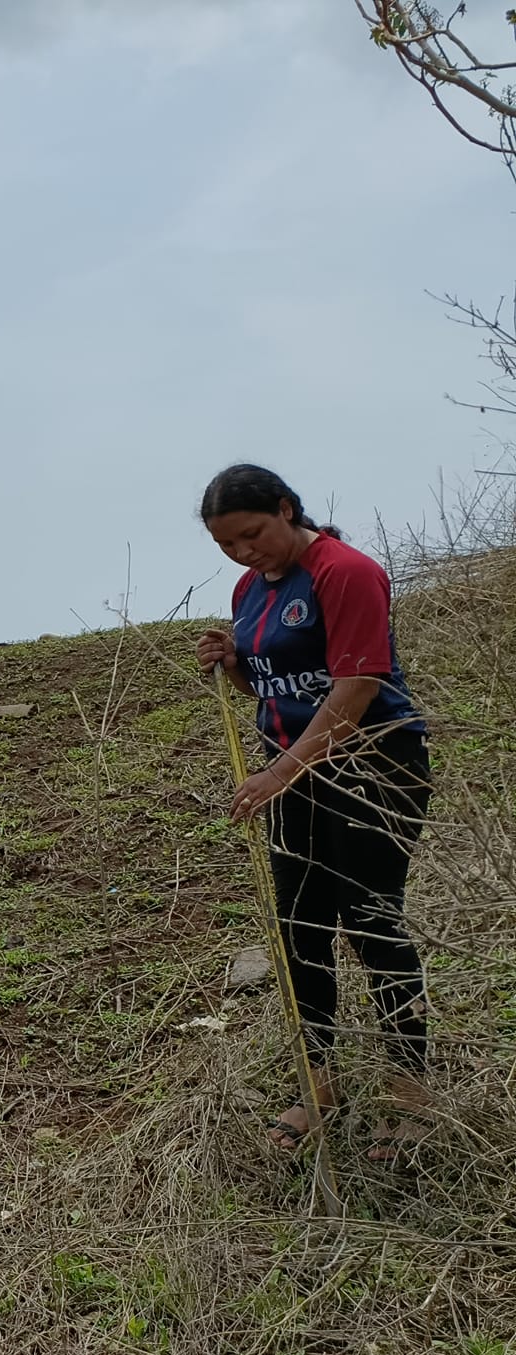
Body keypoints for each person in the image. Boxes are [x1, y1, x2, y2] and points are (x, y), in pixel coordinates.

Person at [194, 463, 435, 1163]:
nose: (244, 554)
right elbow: (271, 682)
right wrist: (234, 659)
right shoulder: (249, 589)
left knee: (371, 921)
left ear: (286, 508)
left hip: (372, 768)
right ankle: (318, 1081)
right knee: (299, 925)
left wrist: (278, 770)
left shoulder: (345, 570)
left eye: (253, 534)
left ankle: (408, 1082)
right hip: (293, 778)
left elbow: (358, 683)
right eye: (228, 546)